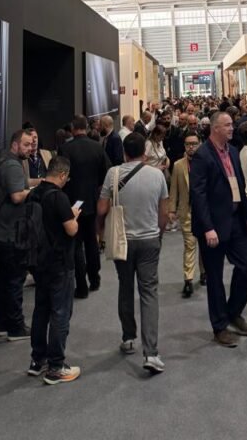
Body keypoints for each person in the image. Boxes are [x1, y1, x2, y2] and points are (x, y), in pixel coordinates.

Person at [97, 133, 168, 374]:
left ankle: (128, 337)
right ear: (144, 153)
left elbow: (102, 208)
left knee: (125, 287)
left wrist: (100, 232)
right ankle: (152, 352)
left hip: (122, 241)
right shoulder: (157, 175)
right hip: (149, 239)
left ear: (124, 152)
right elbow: (163, 212)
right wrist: (159, 234)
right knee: (149, 293)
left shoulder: (113, 174)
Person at [189, 110, 247, 348]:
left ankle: (233, 311)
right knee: (214, 278)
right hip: (214, 226)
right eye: (227, 125)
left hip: (236, 220)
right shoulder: (202, 156)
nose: (232, 128)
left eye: (231, 125)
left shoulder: (234, 152)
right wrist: (207, 228)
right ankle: (219, 326)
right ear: (215, 128)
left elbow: (240, 184)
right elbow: (198, 194)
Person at [27, 155, 82, 384]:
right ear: (62, 175)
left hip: (38, 262)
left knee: (41, 310)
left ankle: (37, 360)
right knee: (60, 313)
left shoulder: (34, 194)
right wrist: (74, 216)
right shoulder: (59, 197)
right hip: (59, 263)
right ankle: (56, 366)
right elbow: (70, 230)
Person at [0, 128, 38, 340]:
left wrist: (42, 182)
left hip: (5, 233)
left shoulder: (9, 163)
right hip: (11, 234)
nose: (31, 148)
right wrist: (37, 192)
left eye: (32, 144)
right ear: (15, 144)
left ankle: (3, 323)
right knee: (14, 281)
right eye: (27, 145)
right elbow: (17, 195)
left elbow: (22, 184)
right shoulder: (12, 165)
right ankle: (16, 328)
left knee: (5, 280)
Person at [64, 115, 110, 299]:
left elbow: (62, 176)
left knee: (76, 245)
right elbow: (105, 174)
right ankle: (95, 278)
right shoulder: (97, 147)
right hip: (91, 201)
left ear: (73, 128)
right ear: (85, 127)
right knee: (91, 241)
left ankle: (81, 286)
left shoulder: (65, 149)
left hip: (73, 203)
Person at [169, 131, 205, 297]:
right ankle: (188, 279)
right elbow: (174, 190)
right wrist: (171, 209)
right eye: (188, 144)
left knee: (204, 246)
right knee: (190, 245)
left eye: (194, 144)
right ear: (184, 146)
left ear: (199, 144)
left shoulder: (207, 162)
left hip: (204, 212)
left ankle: (204, 273)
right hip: (187, 211)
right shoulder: (178, 165)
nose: (191, 147)